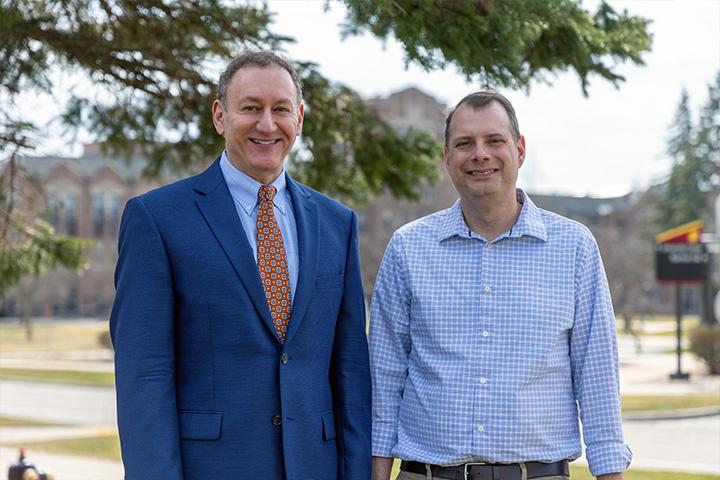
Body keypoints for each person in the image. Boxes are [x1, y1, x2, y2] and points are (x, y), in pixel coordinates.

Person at [109, 51, 371, 480]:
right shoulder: (157, 218)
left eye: (280, 109)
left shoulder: (337, 223)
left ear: (299, 118)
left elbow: (350, 371)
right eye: (250, 108)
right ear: (220, 116)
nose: (267, 124)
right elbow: (145, 374)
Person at [369, 91, 631, 480]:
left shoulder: (574, 248)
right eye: (464, 143)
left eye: (494, 141)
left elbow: (598, 384)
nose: (480, 154)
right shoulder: (408, 249)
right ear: (447, 158)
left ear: (520, 151)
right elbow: (383, 383)